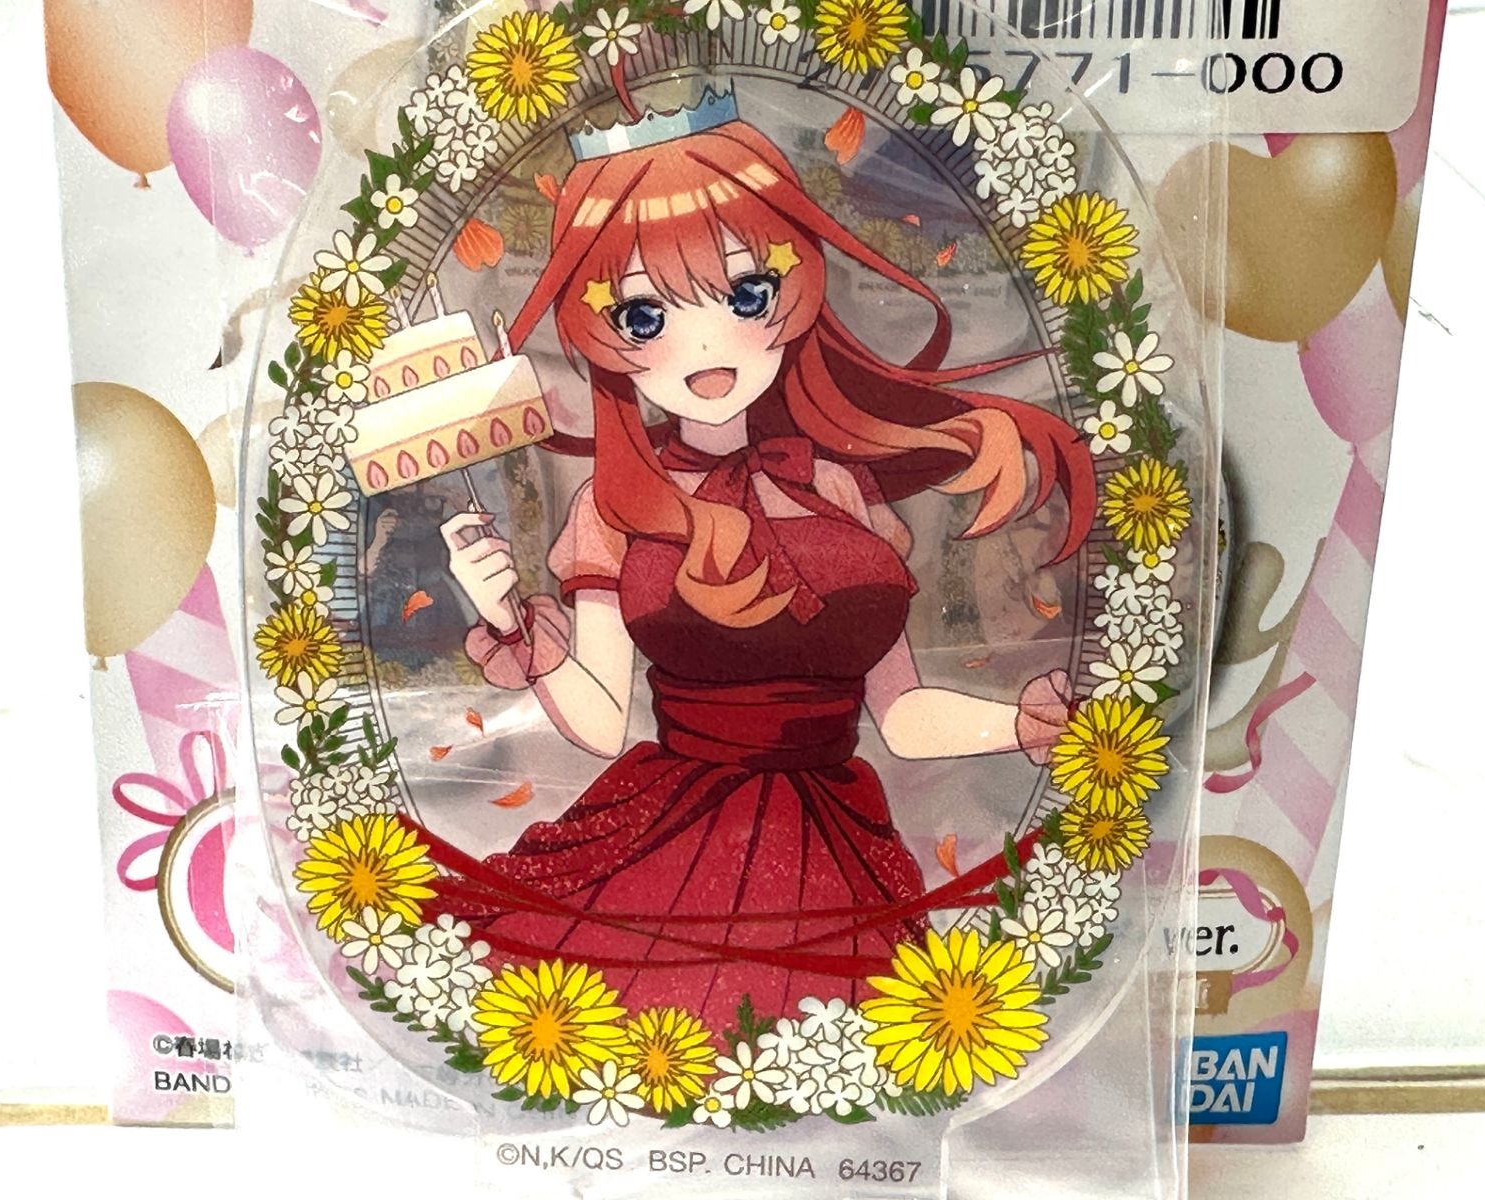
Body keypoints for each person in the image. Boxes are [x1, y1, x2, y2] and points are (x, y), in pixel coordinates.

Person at [410, 113, 1094, 1027]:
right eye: (644, 316)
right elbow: (602, 721)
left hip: (837, 845)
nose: (704, 351)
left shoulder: (841, 490)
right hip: (669, 840)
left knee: (837, 1052)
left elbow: (901, 715)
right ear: (598, 334)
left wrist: (1026, 725)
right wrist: (508, 621)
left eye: (744, 294)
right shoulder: (614, 507)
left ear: (798, 291)